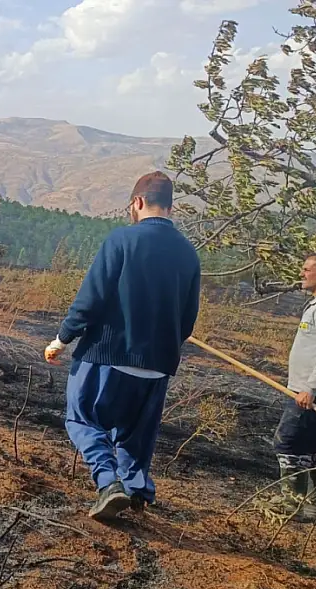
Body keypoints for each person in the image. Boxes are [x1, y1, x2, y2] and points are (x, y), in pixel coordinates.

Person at [44, 171, 200, 522]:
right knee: (135, 435)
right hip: (158, 366)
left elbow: (91, 299)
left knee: (82, 418)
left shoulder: (122, 241)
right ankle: (138, 491)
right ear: (171, 208)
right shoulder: (189, 254)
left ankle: (107, 483)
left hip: (108, 356)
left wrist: (62, 339)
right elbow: (188, 321)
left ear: (138, 202)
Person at [267, 253, 316, 522]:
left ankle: (293, 502)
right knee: (310, 444)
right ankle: (312, 504)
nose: (302, 274)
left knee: (287, 440)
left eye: (307, 269)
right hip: (312, 389)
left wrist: (310, 387)